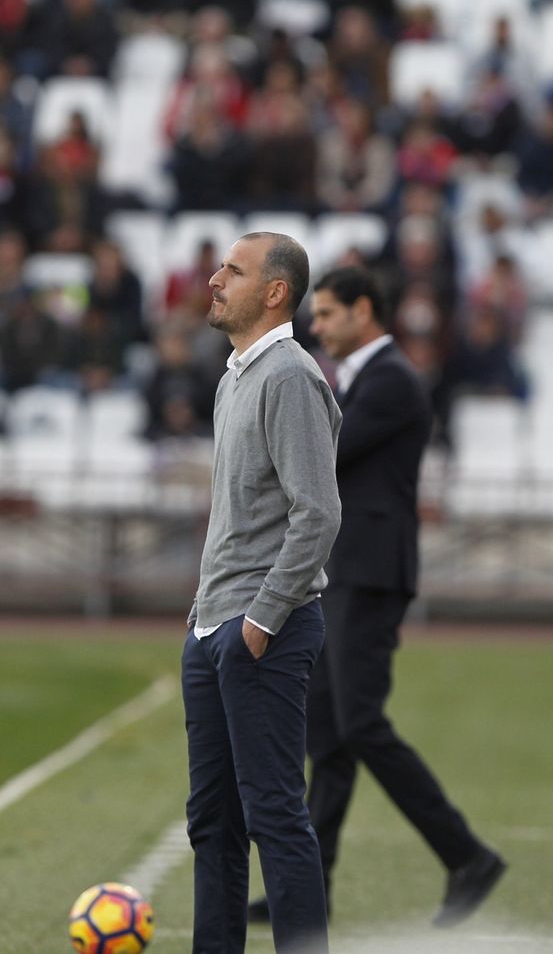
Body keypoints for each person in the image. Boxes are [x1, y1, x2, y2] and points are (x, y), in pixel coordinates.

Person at [251, 267, 509, 931]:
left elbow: (324, 454)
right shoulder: (372, 379)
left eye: (330, 313)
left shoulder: (392, 379)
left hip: (369, 572)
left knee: (358, 724)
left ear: (365, 310)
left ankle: (467, 854)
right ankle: (306, 890)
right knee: (330, 735)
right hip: (351, 568)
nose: (318, 325)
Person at [184, 232, 339, 954]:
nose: (215, 279)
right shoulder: (235, 376)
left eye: (233, 271)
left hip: (261, 630)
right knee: (212, 820)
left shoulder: (289, 376)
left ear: (275, 292)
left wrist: (262, 617)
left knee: (274, 814)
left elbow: (319, 512)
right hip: (214, 625)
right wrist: (204, 620)